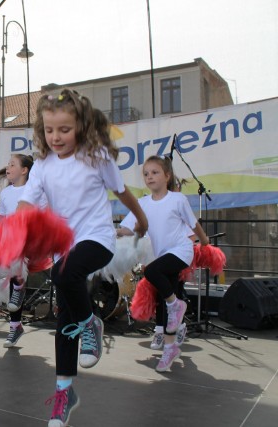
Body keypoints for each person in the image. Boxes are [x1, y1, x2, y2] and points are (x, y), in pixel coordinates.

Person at [18, 91, 148, 426]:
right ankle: (65, 392)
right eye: (49, 130)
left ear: (81, 126)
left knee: (64, 278)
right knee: (65, 321)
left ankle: (91, 322)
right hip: (65, 246)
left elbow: (122, 192)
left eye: (64, 129)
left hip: (98, 239)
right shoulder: (43, 166)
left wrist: (141, 220)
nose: (55, 137)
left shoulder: (96, 156)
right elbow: (27, 205)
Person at [117, 155, 209, 373]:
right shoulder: (142, 203)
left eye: (155, 172)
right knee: (164, 298)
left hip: (180, 251)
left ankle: (176, 304)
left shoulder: (177, 200)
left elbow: (193, 223)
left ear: (167, 176)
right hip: (160, 255)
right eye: (146, 174)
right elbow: (130, 227)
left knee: (153, 274)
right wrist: (115, 232)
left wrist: (204, 241)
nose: (150, 177)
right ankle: (170, 348)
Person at [0, 154, 45, 347]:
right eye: (7, 164)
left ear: (24, 170)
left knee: (17, 262)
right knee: (7, 287)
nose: (8, 167)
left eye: (12, 164)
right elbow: (5, 221)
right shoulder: (6, 193)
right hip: (12, 241)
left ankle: (18, 287)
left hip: (33, 240)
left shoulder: (34, 190)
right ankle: (15, 326)